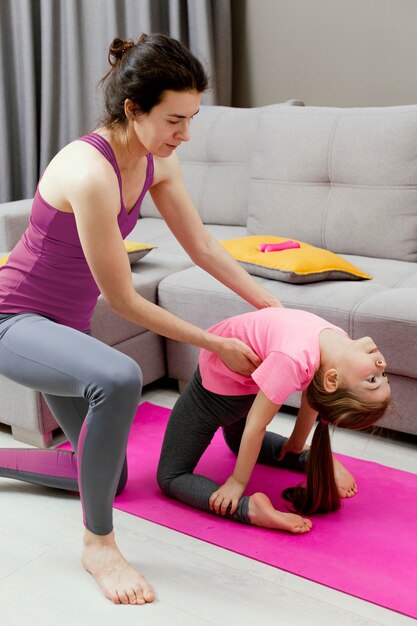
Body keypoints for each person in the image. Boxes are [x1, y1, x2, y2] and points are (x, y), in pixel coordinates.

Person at [0, 34, 282, 606]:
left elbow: (202, 245)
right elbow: (124, 300)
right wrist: (215, 344)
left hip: (63, 332)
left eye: (192, 118)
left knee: (111, 476)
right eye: (175, 119)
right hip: (14, 320)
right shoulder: (88, 172)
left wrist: (272, 307)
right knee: (120, 377)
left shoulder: (155, 162)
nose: (186, 134)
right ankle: (98, 544)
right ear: (133, 108)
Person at [157, 307, 391, 533]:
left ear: (333, 380)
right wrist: (297, 444)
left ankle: (248, 509)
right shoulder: (338, 345)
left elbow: (256, 426)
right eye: (383, 377)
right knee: (239, 445)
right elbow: (315, 392)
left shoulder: (302, 357)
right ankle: (311, 459)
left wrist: (237, 482)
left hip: (223, 392)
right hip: (246, 384)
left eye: (372, 380)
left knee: (171, 476)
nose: (381, 366)